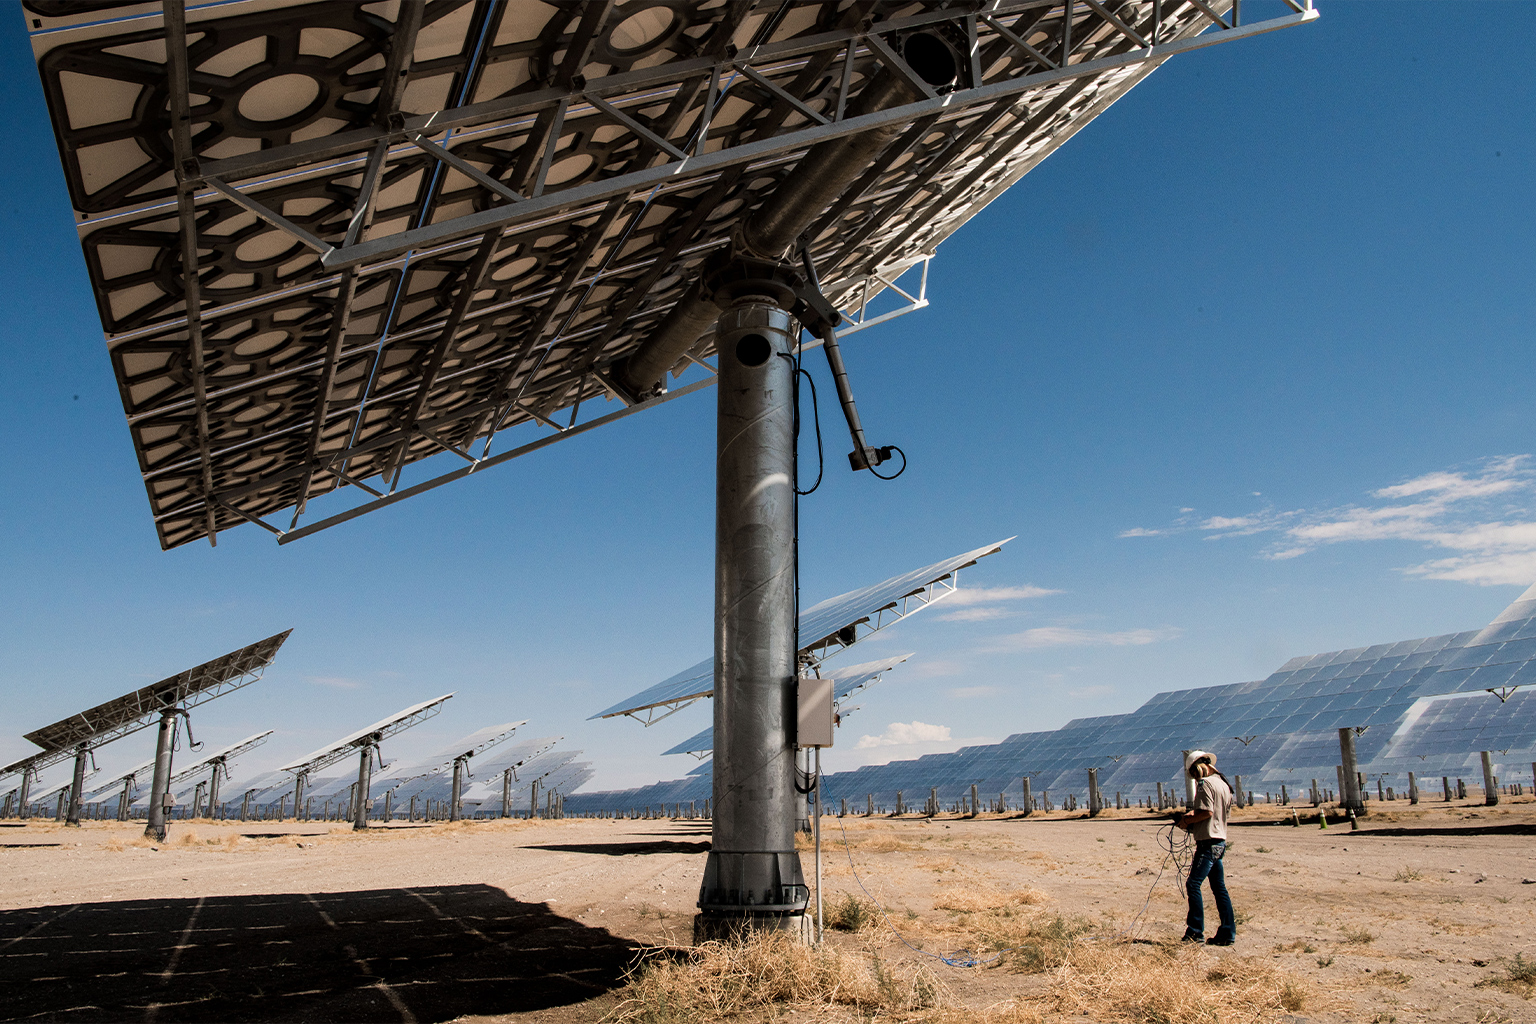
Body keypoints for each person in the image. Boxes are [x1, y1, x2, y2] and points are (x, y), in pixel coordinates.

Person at [1175, 749, 1236, 945]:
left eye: (1193, 773)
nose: (1194, 777)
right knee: (1219, 888)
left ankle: (1195, 931)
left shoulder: (1205, 783)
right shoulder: (1224, 785)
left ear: (1198, 767)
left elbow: (1206, 812)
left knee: (1193, 884)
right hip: (1220, 840)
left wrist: (1185, 820)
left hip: (1208, 843)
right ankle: (1227, 932)